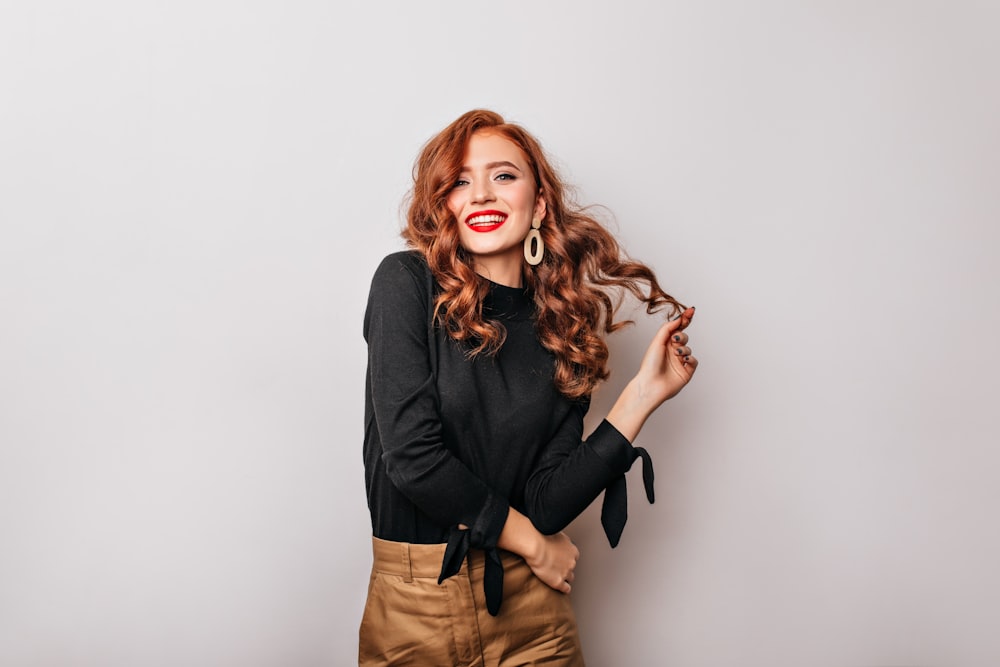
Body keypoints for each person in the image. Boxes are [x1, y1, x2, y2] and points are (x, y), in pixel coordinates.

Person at [360, 109, 697, 666]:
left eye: (504, 176)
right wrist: (533, 543)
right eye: (459, 181)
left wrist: (642, 397)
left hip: (534, 616)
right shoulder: (405, 284)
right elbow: (413, 460)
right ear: (442, 203)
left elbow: (545, 500)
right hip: (416, 609)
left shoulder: (564, 329)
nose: (482, 195)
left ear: (539, 204)